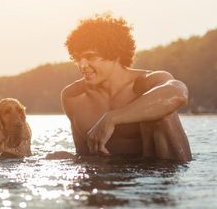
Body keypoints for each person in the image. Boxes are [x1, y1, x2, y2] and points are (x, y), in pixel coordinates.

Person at [61, 14, 192, 161]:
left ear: (115, 54)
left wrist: (111, 118)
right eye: (78, 58)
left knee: (162, 111)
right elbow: (82, 156)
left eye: (91, 57)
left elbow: (178, 93)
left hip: (156, 175)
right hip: (105, 175)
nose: (82, 65)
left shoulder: (147, 83)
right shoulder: (73, 96)